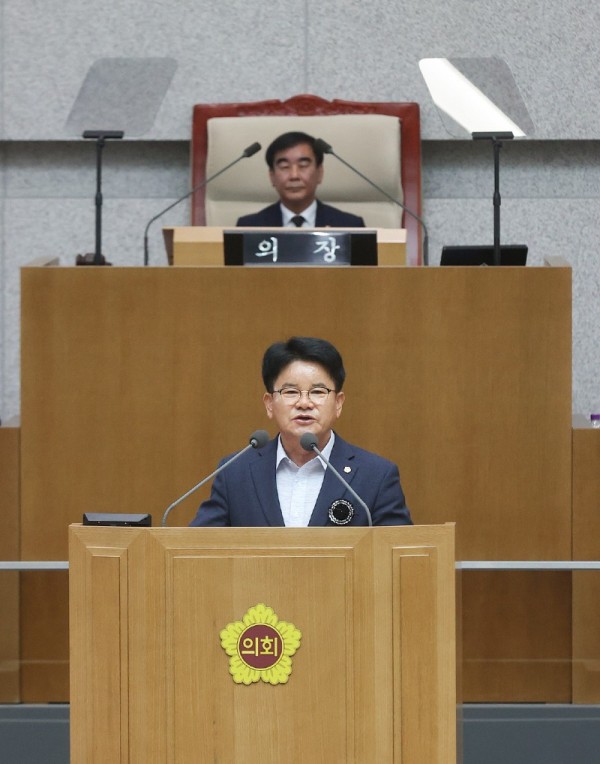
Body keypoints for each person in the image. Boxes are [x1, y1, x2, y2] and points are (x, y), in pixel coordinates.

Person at [189, 337, 412, 527]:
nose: (304, 403)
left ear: (338, 403)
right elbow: (198, 551)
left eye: (317, 392)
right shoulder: (235, 474)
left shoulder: (376, 476)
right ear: (269, 404)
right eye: (291, 392)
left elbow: (399, 556)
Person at [236, 132, 365, 229]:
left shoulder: (350, 227)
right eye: (284, 167)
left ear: (319, 173)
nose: (294, 175)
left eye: (303, 165)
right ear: (272, 176)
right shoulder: (249, 228)